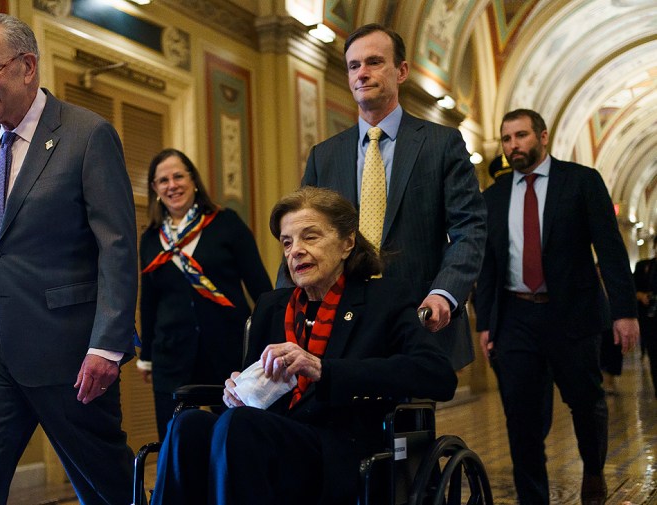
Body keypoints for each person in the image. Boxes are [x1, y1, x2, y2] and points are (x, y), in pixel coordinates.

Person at [150, 186, 457, 504]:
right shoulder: (271, 306)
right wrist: (238, 389)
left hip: (342, 449)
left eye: (310, 237)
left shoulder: (384, 299)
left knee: (241, 426)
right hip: (271, 438)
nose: (295, 250)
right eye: (287, 242)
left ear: (347, 243)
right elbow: (255, 393)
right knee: (188, 424)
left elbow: (438, 375)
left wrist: (324, 369)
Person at [0, 14, 138, 505]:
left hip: (69, 353)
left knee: (105, 487)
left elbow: (117, 246)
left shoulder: (88, 135)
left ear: (27, 66)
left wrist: (106, 346)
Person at [297, 23, 486, 370]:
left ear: (401, 71)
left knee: (413, 421)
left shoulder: (442, 144)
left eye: (374, 62)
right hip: (341, 323)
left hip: (419, 318)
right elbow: (300, 234)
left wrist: (445, 292)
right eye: (354, 66)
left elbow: (469, 228)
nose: (362, 73)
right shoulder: (324, 156)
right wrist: (288, 305)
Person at [474, 109, 639, 505]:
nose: (514, 145)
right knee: (521, 418)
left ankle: (595, 471)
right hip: (516, 317)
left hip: (572, 315)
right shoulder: (493, 197)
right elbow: (488, 264)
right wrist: (486, 323)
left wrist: (624, 312)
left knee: (586, 404)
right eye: (507, 138)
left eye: (521, 136)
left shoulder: (580, 182)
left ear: (542, 137)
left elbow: (611, 249)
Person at [138, 148, 272, 440]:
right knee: (176, 439)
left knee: (233, 436)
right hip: (171, 355)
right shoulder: (150, 239)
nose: (172, 185)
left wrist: (268, 341)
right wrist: (146, 357)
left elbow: (261, 288)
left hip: (228, 350)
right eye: (163, 180)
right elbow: (148, 302)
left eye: (178, 176)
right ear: (155, 189)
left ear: (194, 180)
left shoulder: (227, 223)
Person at [633, 236, 657, 397]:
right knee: (654, 356)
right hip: (651, 318)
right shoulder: (644, 266)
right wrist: (641, 295)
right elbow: (632, 287)